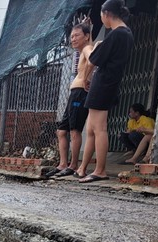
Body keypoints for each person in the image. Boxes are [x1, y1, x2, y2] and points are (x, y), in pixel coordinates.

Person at [76, 0, 134, 183]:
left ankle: (100, 170)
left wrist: (85, 78)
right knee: (92, 128)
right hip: (107, 83)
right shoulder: (126, 34)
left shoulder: (117, 34)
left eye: (101, 15)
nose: (102, 19)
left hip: (104, 84)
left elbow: (93, 58)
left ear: (107, 14)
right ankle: (83, 169)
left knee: (99, 128)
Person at [48, 22, 93, 178]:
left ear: (86, 36)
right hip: (74, 93)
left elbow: (92, 59)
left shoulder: (87, 48)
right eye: (71, 36)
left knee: (75, 131)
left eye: (77, 36)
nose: (73, 39)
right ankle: (63, 164)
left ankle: (73, 165)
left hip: (80, 93)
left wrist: (87, 78)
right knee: (61, 131)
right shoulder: (80, 51)